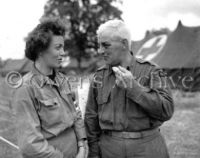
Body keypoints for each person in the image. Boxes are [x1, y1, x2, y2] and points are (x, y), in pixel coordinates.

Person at [84, 19, 174, 158]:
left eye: (105, 45)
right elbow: (91, 117)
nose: (100, 50)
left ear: (124, 44)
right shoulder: (99, 76)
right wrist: (94, 152)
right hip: (109, 149)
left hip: (146, 147)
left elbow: (166, 110)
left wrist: (135, 89)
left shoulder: (152, 71)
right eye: (99, 46)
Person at [13, 18, 87, 158]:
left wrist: (82, 147)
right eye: (58, 47)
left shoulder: (63, 80)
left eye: (63, 47)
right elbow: (30, 144)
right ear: (41, 50)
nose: (63, 53)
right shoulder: (25, 89)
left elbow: (76, 115)